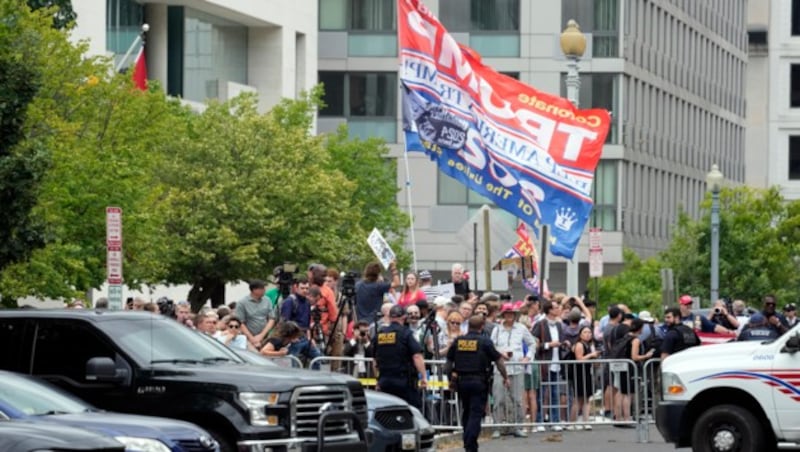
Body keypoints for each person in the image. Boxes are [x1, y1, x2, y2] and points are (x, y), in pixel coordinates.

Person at [445, 315, 509, 452]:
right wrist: (505, 377)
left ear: (468, 326)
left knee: (467, 411)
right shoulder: (485, 341)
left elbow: (448, 363)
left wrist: (450, 379)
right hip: (479, 381)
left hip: (462, 382)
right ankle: (470, 443)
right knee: (476, 413)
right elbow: (499, 361)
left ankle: (467, 440)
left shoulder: (458, 341)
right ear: (482, 327)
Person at [489, 301, 535, 438]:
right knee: (499, 398)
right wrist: (500, 354)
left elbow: (532, 343)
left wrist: (527, 358)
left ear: (515, 315)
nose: (509, 316)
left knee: (517, 399)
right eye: (507, 314)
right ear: (503, 315)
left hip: (516, 368)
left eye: (512, 314)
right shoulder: (496, 329)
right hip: (500, 368)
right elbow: (491, 346)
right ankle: (498, 427)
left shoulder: (521, 328)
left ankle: (517, 427)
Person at [373, 305, 427, 409]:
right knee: (412, 411)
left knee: (388, 411)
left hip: (385, 381)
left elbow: (375, 361)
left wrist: (378, 380)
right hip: (403, 381)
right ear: (404, 317)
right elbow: (417, 356)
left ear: (389, 317)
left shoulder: (379, 335)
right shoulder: (405, 333)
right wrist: (424, 376)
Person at [569, 326, 600, 430]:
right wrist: (591, 355)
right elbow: (579, 359)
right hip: (579, 373)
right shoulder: (579, 345)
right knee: (578, 399)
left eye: (589, 332)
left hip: (587, 373)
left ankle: (585, 421)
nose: (588, 334)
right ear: (580, 334)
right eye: (585, 332)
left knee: (587, 398)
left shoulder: (589, 345)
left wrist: (595, 358)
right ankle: (572, 423)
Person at [236, 280, 276, 348]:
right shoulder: (242, 303)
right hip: (248, 337)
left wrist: (261, 335)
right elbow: (240, 323)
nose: (264, 290)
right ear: (254, 290)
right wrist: (252, 338)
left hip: (265, 336)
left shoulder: (267, 300)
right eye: (262, 289)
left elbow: (271, 318)